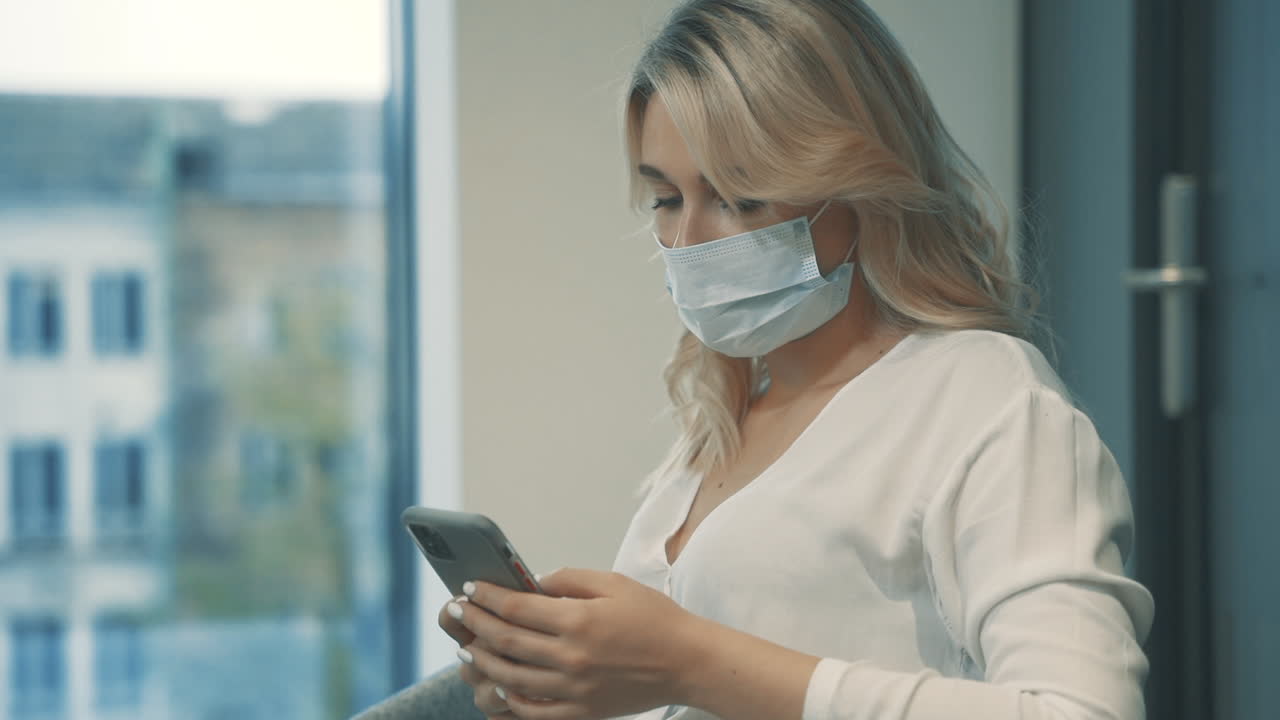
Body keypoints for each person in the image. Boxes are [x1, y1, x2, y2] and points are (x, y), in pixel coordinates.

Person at [437, 1, 1154, 719]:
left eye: (741, 198)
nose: (689, 241)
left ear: (863, 187)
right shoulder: (724, 422)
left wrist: (691, 662)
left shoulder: (986, 398)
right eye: (664, 198)